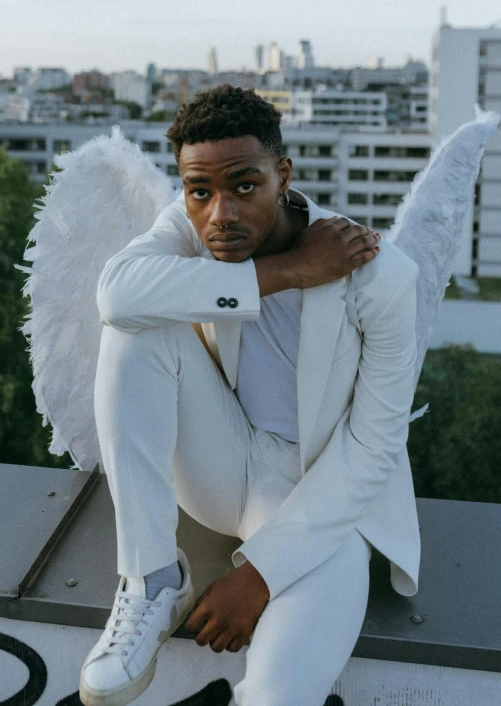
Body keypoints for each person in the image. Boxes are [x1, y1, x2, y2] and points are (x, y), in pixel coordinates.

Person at [79, 84, 420, 706]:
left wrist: (260, 576)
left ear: (281, 174)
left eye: (244, 186)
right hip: (224, 464)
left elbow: (374, 448)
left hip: (325, 501)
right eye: (200, 191)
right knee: (133, 328)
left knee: (279, 696)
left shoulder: (381, 274)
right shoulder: (191, 229)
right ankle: (152, 579)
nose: (221, 214)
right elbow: (116, 295)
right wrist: (287, 272)